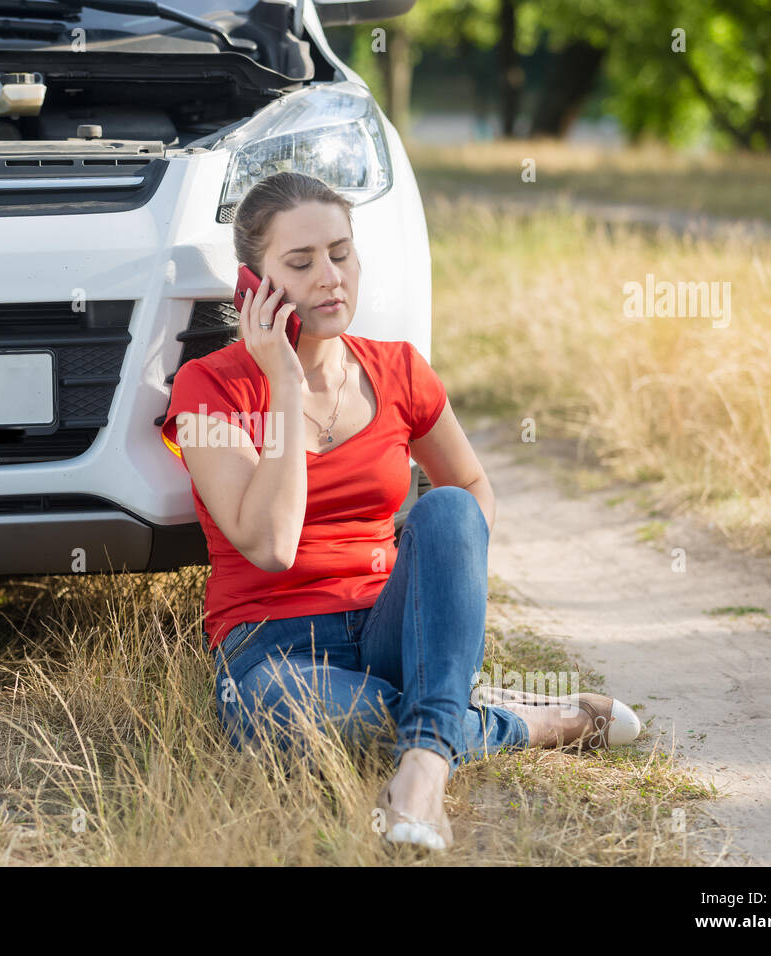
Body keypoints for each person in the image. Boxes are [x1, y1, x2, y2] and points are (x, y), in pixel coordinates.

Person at [159, 171, 640, 850]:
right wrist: (286, 387)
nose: (330, 276)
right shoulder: (209, 387)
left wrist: (446, 588)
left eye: (341, 252)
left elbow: (473, 492)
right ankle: (518, 721)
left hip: (392, 629)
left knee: (445, 510)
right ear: (254, 287)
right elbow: (270, 545)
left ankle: (420, 771)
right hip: (275, 652)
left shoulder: (399, 371)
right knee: (318, 717)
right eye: (300, 263)